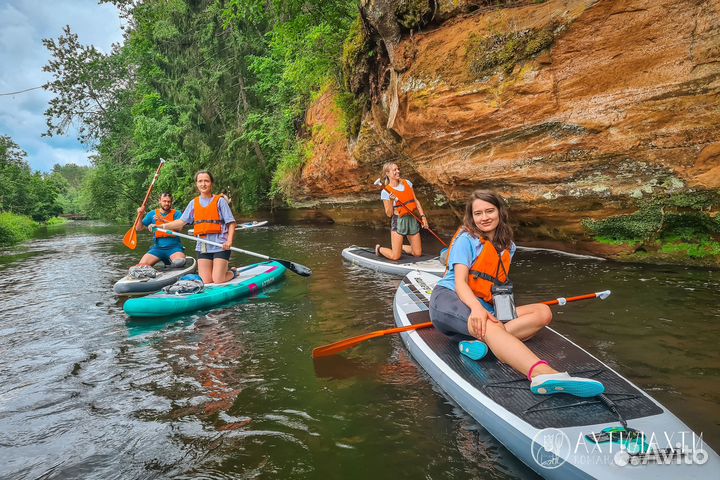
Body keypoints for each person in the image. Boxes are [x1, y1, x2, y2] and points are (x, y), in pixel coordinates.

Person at [429, 190, 605, 398]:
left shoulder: (508, 246)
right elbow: (460, 282)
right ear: (471, 217)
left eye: (489, 211)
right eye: (478, 213)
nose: (484, 217)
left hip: (483, 305)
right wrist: (477, 309)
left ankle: (481, 344)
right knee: (491, 324)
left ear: (500, 212)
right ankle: (541, 373)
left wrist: (492, 310)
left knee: (543, 312)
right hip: (450, 300)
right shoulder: (467, 239)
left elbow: (495, 285)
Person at [150, 171, 237, 284]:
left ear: (211, 183)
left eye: (206, 181)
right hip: (203, 246)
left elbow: (231, 223)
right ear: (196, 184)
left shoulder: (219, 201)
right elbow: (180, 222)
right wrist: (160, 226)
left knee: (218, 280)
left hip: (220, 245)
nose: (203, 184)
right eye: (200, 181)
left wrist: (229, 241)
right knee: (206, 281)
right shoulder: (193, 203)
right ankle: (221, 272)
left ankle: (233, 272)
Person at [375, 162, 429, 260]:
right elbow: (389, 214)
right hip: (398, 220)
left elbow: (415, 201)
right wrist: (391, 201)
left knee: (417, 253)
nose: (398, 171)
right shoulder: (385, 192)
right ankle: (379, 249)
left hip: (411, 218)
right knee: (395, 257)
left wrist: (423, 217)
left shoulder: (407, 183)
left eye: (398, 169)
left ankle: (400, 247)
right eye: (394, 170)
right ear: (387, 173)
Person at [134, 192, 187, 268]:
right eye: (164, 201)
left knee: (180, 262)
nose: (166, 203)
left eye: (169, 201)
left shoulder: (177, 213)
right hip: (158, 248)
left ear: (171, 202)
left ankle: (171, 264)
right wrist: (140, 215)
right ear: (160, 201)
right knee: (141, 266)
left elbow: (179, 228)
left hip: (174, 247)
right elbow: (138, 228)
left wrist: (162, 220)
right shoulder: (152, 214)